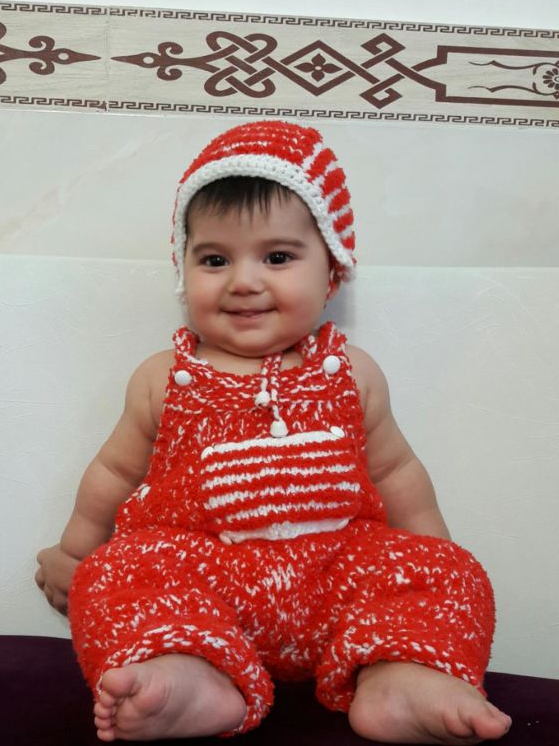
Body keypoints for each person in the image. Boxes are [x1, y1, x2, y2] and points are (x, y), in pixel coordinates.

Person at [36, 120, 512, 744]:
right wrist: (75, 554)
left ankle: (400, 677)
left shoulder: (353, 373)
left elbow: (396, 471)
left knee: (456, 572)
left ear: (331, 271)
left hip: (337, 577)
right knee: (114, 573)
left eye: (278, 257)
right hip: (203, 581)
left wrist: (428, 562)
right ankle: (189, 678)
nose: (244, 280)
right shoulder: (165, 377)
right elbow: (114, 472)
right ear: (183, 270)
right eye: (214, 260)